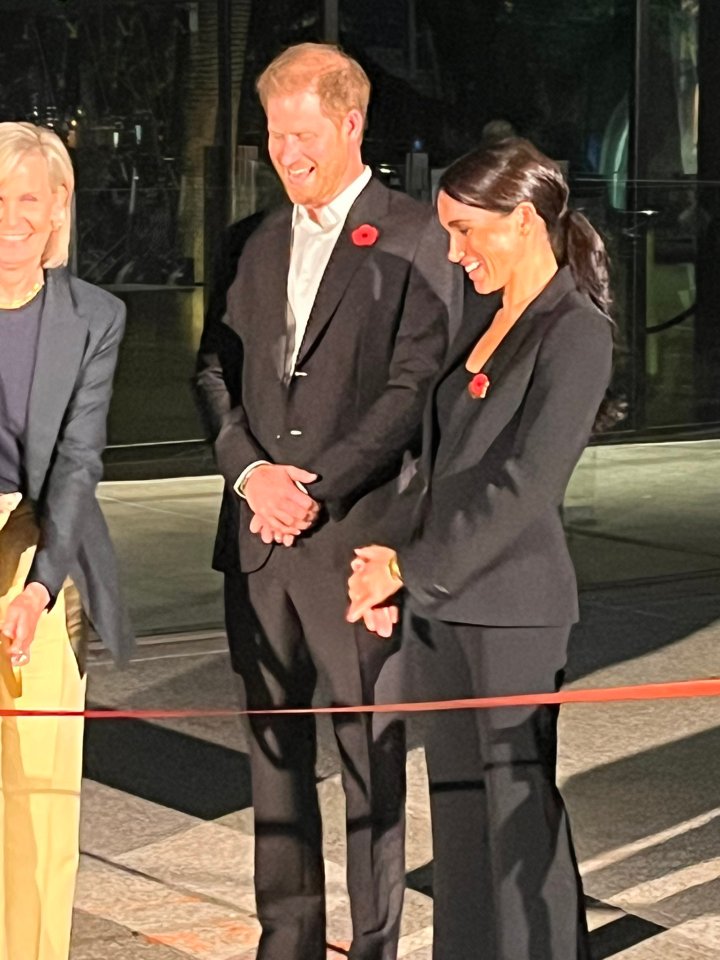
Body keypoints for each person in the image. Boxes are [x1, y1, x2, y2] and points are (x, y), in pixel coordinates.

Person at [194, 42, 459, 960]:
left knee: (369, 769)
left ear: (351, 123)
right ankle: (289, 943)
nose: (286, 153)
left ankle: (375, 944)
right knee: (274, 767)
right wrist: (249, 474)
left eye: (303, 133)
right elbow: (212, 373)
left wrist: (314, 485)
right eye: (274, 135)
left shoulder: (417, 233)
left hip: (356, 547)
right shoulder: (250, 238)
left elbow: (412, 388)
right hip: (259, 544)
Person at [347, 137, 622, 959]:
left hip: (514, 616)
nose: (456, 252)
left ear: (528, 219)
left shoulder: (575, 332)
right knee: (462, 820)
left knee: (517, 820)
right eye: (449, 233)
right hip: (444, 606)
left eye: (469, 232)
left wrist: (411, 567)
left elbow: (524, 487)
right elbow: (445, 470)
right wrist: (389, 559)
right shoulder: (485, 315)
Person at [0, 121, 132, 960]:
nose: (9, 216)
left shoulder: (94, 317)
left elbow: (79, 464)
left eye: (26, 199)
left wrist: (40, 588)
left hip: (41, 549)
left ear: (57, 210)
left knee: (37, 795)